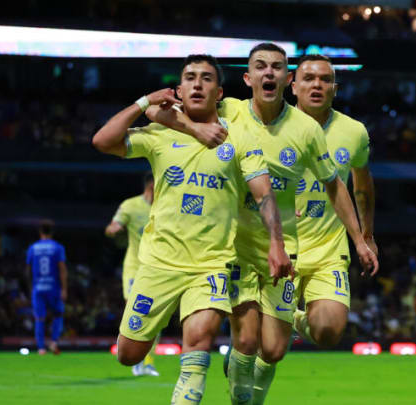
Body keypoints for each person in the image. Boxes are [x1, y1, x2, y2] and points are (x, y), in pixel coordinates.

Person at [145, 43, 378, 405]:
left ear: (286, 80)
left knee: (275, 349)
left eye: (276, 68)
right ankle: (242, 398)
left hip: (288, 246)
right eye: (260, 67)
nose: (268, 74)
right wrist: (179, 120)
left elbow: (341, 184)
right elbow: (167, 113)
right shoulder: (229, 111)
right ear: (250, 77)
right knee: (248, 341)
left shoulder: (314, 130)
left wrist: (362, 238)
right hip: (236, 245)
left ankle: (278, 340)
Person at [92, 54, 291, 404]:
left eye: (206, 78)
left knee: (198, 348)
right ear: (179, 91)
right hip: (158, 265)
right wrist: (144, 102)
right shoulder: (159, 135)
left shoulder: (240, 138)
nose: (197, 83)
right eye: (189, 78)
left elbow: (264, 194)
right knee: (129, 354)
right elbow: (103, 141)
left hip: (212, 264)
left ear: (219, 93)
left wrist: (277, 243)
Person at [291, 54, 379, 348]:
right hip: (276, 247)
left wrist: (366, 235)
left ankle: (291, 319)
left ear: (335, 89)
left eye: (325, 79)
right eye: (308, 79)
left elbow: (362, 183)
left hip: (328, 249)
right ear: (293, 87)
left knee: (328, 331)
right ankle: (277, 322)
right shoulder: (271, 127)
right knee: (268, 347)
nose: (317, 85)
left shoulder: (354, 132)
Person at [105, 172, 159, 376]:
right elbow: (114, 225)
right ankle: (135, 359)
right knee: (134, 309)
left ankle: (149, 361)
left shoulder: (165, 206)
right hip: (135, 267)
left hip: (157, 268)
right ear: (151, 184)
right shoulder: (130, 205)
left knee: (154, 314)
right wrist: (113, 230)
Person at [26, 220, 68, 355]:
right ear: (52, 232)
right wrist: (64, 288)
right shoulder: (58, 247)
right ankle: (54, 342)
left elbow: (28, 269)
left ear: (40, 231)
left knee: (39, 318)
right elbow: (62, 269)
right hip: (53, 287)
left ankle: (41, 348)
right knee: (58, 314)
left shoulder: (33, 248)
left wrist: (30, 287)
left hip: (38, 288)